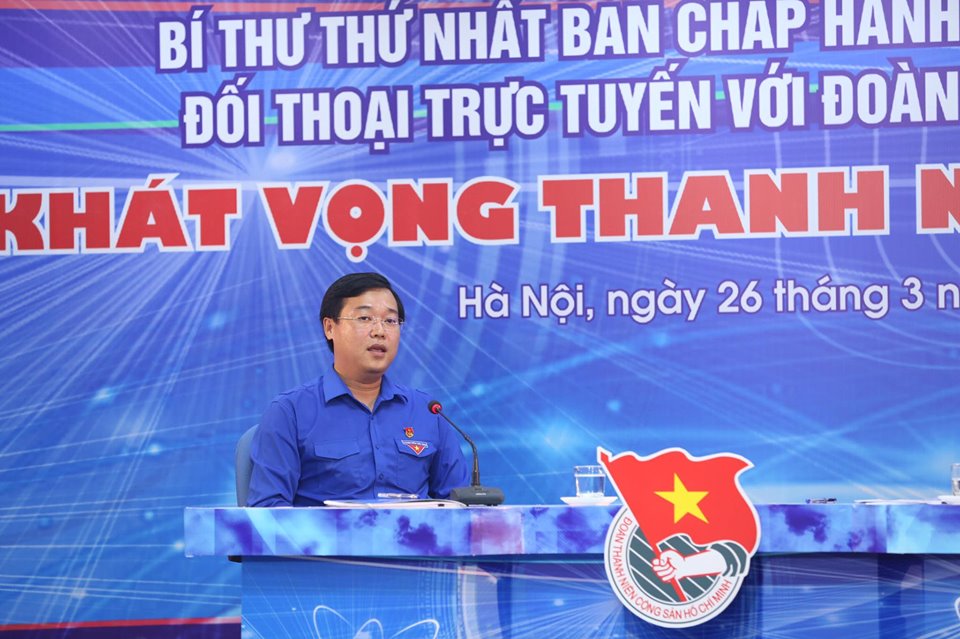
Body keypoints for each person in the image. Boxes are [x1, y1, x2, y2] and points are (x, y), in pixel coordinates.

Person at [246, 272, 470, 506]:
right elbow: (267, 511)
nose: (379, 331)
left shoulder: (427, 411)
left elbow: (461, 506)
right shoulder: (290, 412)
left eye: (390, 321)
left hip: (412, 530)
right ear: (330, 328)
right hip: (327, 531)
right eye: (365, 318)